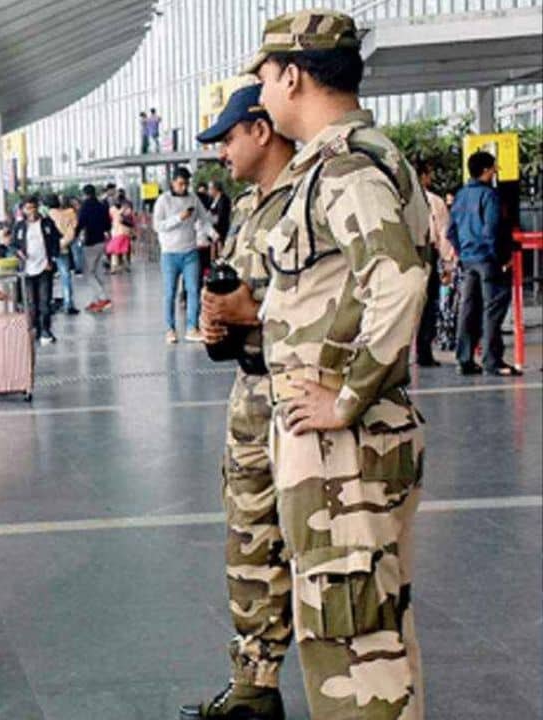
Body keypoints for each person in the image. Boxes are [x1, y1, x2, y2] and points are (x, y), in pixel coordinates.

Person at [246, 10, 428, 718]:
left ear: (293, 76)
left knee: (351, 641)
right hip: (337, 446)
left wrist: (346, 397)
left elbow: (399, 281)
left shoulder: (346, 167)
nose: (262, 93)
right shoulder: (346, 162)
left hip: (341, 448)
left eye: (265, 77)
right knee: (370, 632)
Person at [182, 83, 301, 720]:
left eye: (228, 138)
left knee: (315, 545)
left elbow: (337, 301)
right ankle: (255, 685)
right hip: (252, 393)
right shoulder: (249, 206)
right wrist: (218, 324)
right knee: (250, 540)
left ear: (262, 130)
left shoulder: (311, 198)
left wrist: (253, 312)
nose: (222, 152)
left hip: (301, 397)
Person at [450, 151, 521, 376]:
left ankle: (464, 359)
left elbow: (450, 230)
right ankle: (492, 361)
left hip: (468, 259)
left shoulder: (461, 195)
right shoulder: (490, 196)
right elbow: (491, 230)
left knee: (468, 308)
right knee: (493, 309)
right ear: (485, 171)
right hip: (488, 260)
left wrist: (462, 252)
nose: (495, 172)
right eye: (493, 168)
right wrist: (501, 258)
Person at [153, 167, 215, 343]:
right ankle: (170, 329)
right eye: (180, 184)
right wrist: (179, 218)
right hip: (169, 254)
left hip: (190, 252)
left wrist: (214, 234)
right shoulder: (163, 201)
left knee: (193, 290)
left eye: (186, 184)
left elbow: (204, 219)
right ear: (173, 182)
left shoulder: (193, 198)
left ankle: (192, 327)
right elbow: (157, 226)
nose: (184, 187)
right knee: (170, 293)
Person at [12, 196, 62, 345]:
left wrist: (52, 259)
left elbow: (56, 241)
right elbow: (14, 245)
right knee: (31, 302)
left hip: (44, 268)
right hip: (27, 269)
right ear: (23, 210)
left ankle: (46, 329)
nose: (32, 211)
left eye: (34, 207)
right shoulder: (19, 226)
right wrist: (19, 253)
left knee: (45, 301)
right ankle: (35, 329)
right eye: (28, 208)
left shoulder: (47, 223)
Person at [413, 159, 449, 367]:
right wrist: (447, 263)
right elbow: (444, 233)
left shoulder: (398, 198)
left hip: (405, 253)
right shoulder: (434, 201)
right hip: (428, 253)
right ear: (424, 176)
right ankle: (424, 352)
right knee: (428, 306)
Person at [77, 184, 113, 312]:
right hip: (101, 241)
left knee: (88, 273)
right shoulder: (102, 206)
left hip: (90, 242)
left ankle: (103, 298)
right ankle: (96, 301)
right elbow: (108, 225)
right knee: (97, 272)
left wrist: (75, 236)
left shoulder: (85, 207)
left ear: (85, 194)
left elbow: (80, 223)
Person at [46, 194, 79, 314]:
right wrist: (62, 243)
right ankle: (68, 303)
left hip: (47, 251)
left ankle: (47, 303)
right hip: (63, 249)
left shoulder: (47, 216)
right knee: (65, 276)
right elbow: (73, 229)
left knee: (47, 279)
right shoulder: (70, 213)